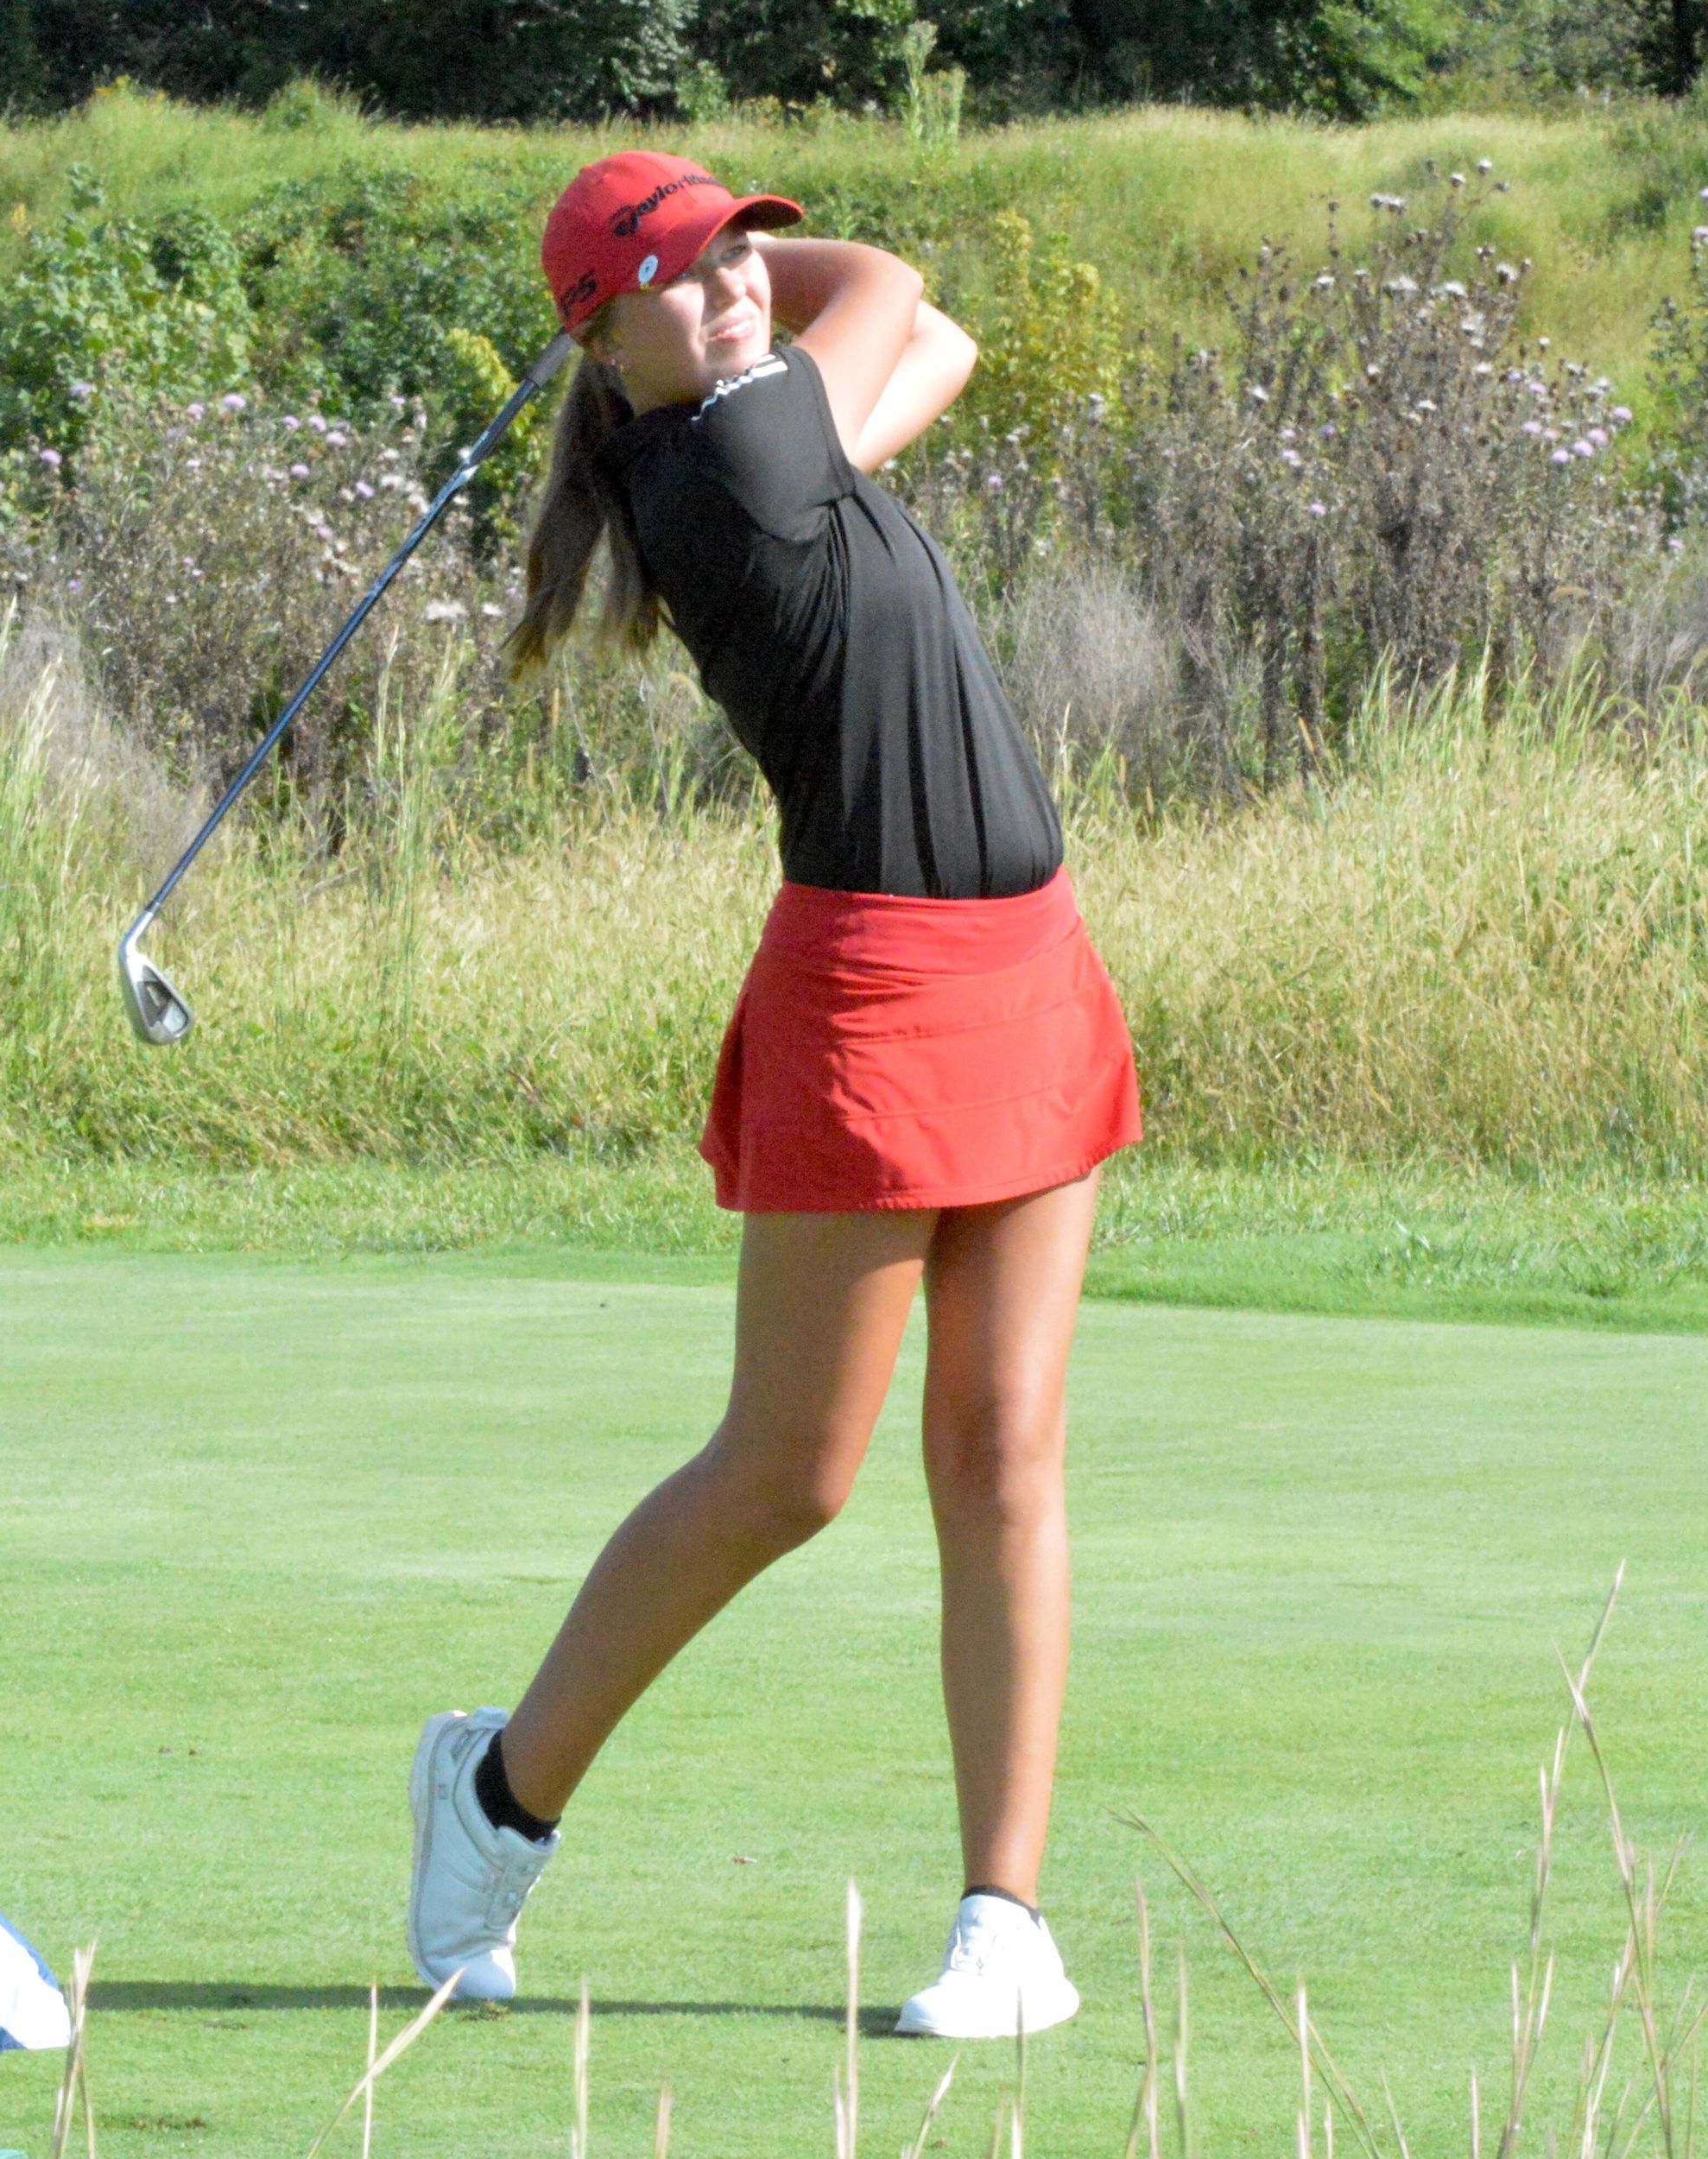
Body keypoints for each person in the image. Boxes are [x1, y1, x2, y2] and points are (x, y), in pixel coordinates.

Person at [404, 152, 1144, 2041]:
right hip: (876, 991)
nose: (737, 291)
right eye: (683, 277)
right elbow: (889, 276)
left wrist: (686, 255)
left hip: (1024, 959)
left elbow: (941, 338)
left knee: (1005, 1456)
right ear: (605, 341)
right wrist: (748, 269)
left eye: (742, 258)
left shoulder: (765, 425)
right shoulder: (729, 459)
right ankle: (497, 1792)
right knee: (790, 1471)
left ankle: (1006, 1921)